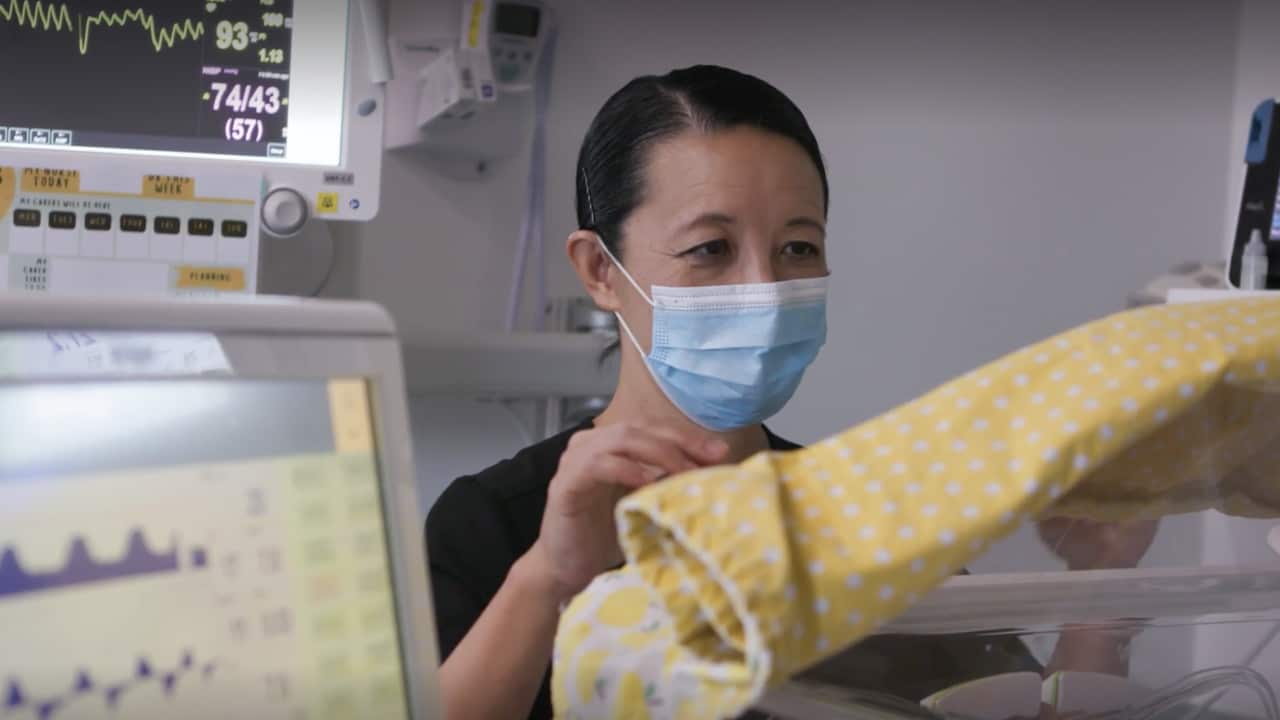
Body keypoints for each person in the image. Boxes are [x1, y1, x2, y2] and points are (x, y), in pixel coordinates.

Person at [425, 65, 1157, 720]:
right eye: (710, 249)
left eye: (797, 247)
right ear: (600, 271)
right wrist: (549, 577)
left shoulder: (868, 521)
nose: (767, 290)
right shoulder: (492, 527)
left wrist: (1104, 576)